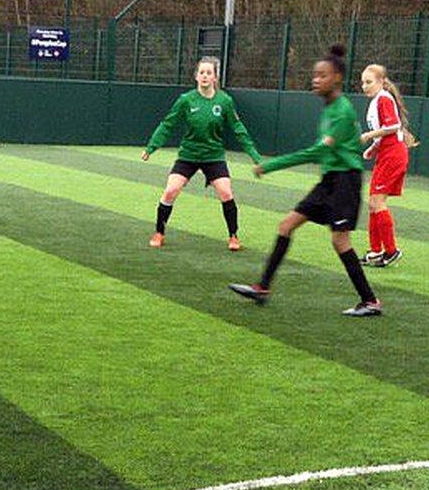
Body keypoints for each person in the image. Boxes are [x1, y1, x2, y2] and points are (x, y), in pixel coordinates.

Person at [227, 45, 381, 318]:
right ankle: (262, 288)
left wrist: (271, 165)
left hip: (345, 182)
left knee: (340, 241)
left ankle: (370, 301)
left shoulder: (342, 111)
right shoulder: (330, 108)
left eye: (322, 75)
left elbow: (318, 152)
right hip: (330, 181)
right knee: (287, 225)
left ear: (336, 78)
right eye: (315, 75)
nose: (316, 80)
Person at [141, 57, 262, 251]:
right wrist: (151, 147)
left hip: (213, 156)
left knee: (226, 192)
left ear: (215, 78)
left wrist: (255, 156)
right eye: (202, 72)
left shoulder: (224, 101)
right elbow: (167, 124)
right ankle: (159, 232)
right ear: (196, 76)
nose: (205, 76)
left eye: (209, 73)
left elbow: (238, 128)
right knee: (171, 190)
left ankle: (233, 236)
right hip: (188, 155)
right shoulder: (186, 100)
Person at [359, 64, 419, 267]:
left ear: (381, 82)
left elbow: (393, 126)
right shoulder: (376, 100)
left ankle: (391, 251)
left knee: (378, 202)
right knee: (373, 203)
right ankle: (375, 252)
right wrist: (374, 148)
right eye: (363, 82)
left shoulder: (384, 98)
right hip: (386, 153)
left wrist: (369, 136)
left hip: (393, 154)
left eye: (369, 82)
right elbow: (386, 130)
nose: (365, 86)